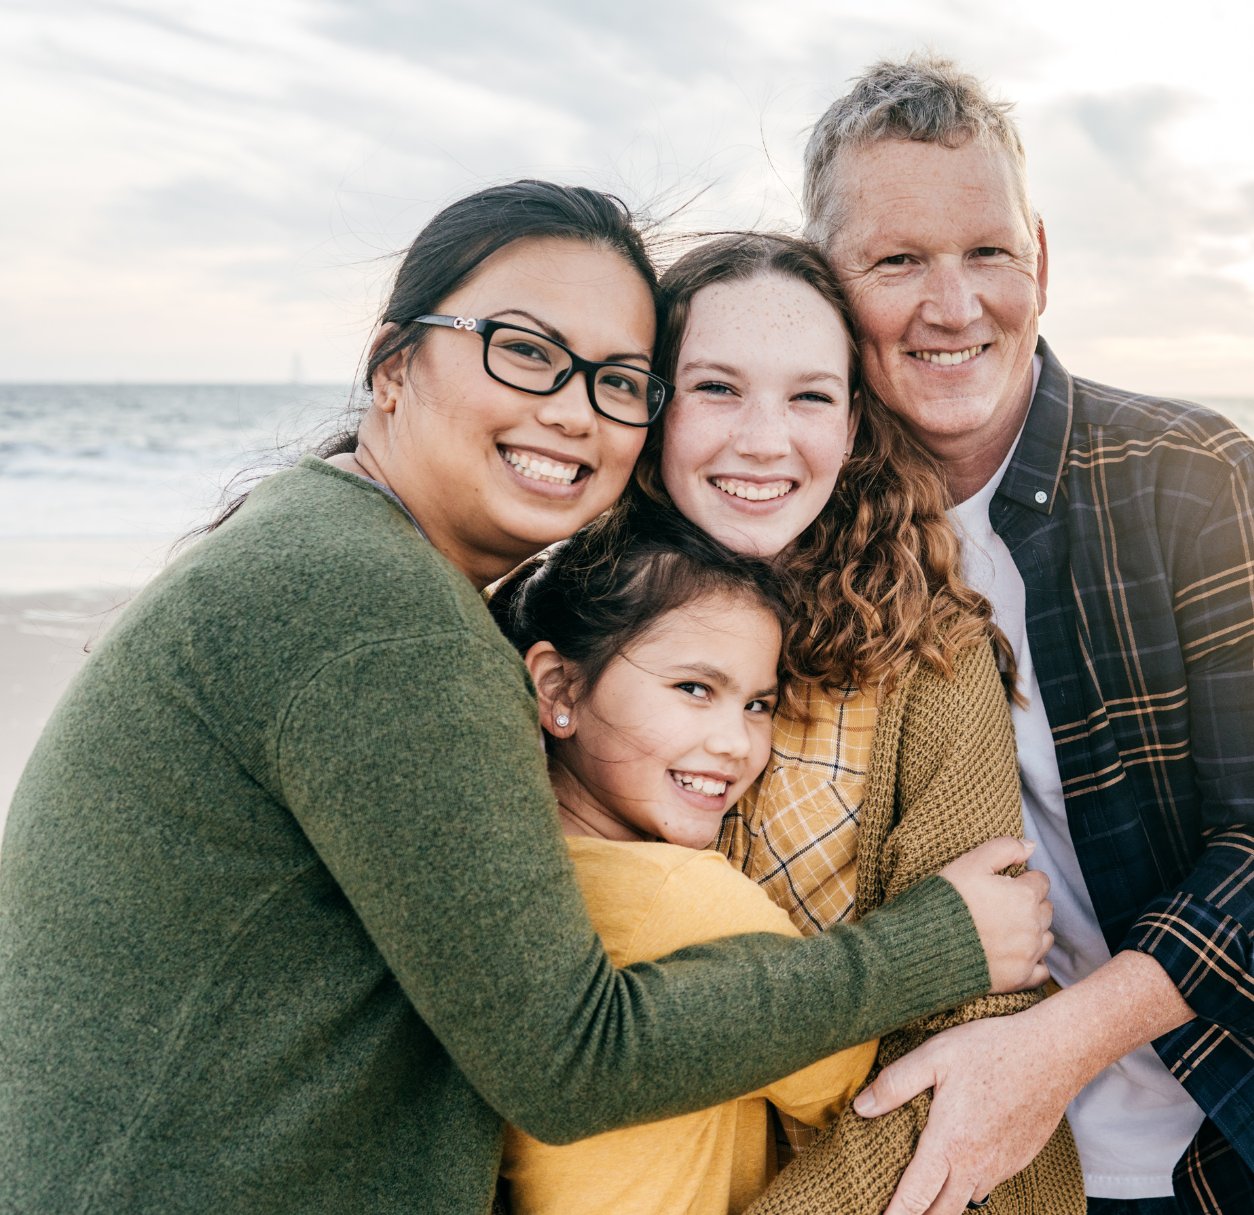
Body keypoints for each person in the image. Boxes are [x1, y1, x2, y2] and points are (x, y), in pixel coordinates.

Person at [0, 181, 1053, 1215]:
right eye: (526, 351)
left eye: (615, 380)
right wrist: (923, 947)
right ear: (394, 365)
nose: (570, 410)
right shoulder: (387, 616)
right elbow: (572, 1058)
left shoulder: (354, 562)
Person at [805, 58, 1254, 1215]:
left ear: (1041, 263)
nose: (953, 305)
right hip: (949, 1129)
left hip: (1228, 1118)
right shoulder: (800, 519)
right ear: (827, 283)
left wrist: (1045, 1058)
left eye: (987, 253)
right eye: (898, 260)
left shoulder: (1196, 479)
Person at [631, 231, 1084, 1215]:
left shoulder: (932, 658)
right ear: (652, 403)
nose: (764, 440)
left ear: (854, 424)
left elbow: (970, 1026)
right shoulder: (565, 634)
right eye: (716, 387)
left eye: (809, 395)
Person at [491, 503, 884, 1215]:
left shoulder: (503, 872)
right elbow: (859, 1080)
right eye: (694, 689)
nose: (737, 743)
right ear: (559, 688)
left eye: (759, 704)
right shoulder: (679, 894)